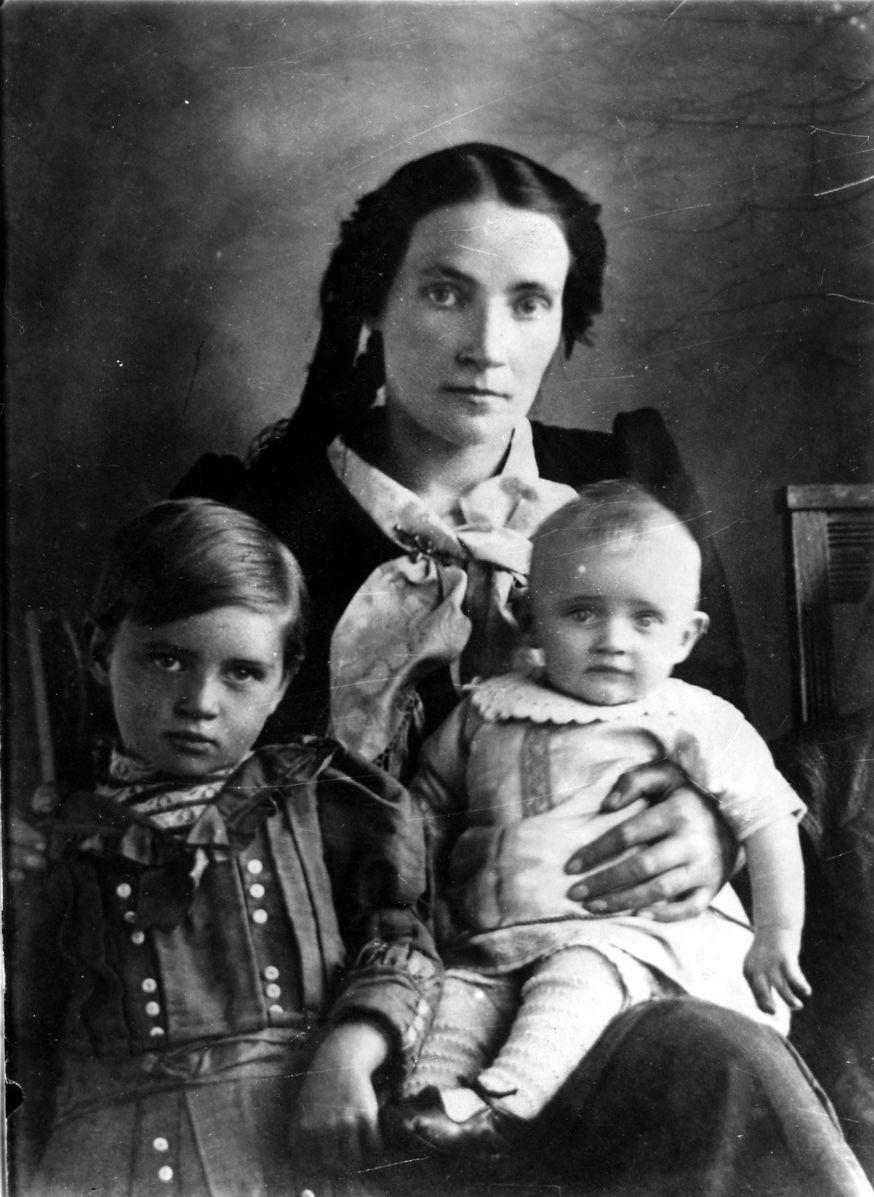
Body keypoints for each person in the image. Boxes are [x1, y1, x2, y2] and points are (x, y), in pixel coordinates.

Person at [167, 143, 873, 1194]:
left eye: (529, 303)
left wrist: (711, 827)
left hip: (608, 992)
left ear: (562, 324)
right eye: (445, 292)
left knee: (720, 1063)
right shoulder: (253, 521)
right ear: (373, 302)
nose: (487, 346)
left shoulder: (622, 487)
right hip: (337, 1010)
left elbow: (718, 733)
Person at [19, 498, 441, 1197]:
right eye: (166, 659)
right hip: (104, 1162)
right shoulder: (53, 842)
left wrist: (350, 1050)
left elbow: (403, 947)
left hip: (288, 1141)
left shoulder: (320, 803)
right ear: (100, 653)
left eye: (242, 671)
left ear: (282, 682)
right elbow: (28, 1047)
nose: (200, 700)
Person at [391, 481, 810, 1154]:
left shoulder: (690, 718)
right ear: (530, 619)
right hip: (496, 939)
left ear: (686, 635)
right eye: (582, 613)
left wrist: (776, 934)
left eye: (645, 619)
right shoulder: (487, 708)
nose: (613, 641)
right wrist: (424, 880)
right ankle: (428, 1113)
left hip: (633, 940)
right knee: (457, 997)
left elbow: (768, 816)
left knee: (580, 974)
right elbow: (429, 799)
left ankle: (504, 1101)